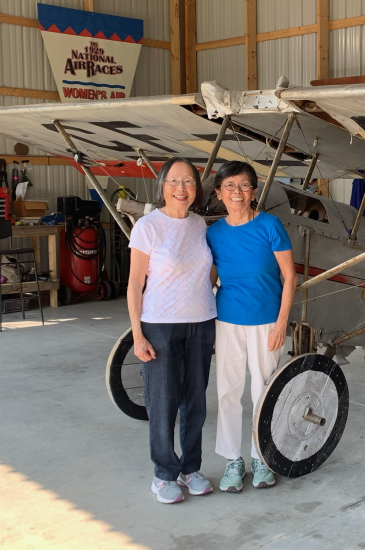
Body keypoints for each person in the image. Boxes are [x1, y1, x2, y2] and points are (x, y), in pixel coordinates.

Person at [127, 157, 217, 504]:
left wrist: (201, 294)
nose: (182, 188)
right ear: (162, 186)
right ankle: (164, 473)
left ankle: (189, 468)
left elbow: (208, 270)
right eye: (174, 182)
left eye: (189, 182)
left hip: (201, 322)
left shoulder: (200, 225)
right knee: (163, 402)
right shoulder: (147, 227)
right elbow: (135, 284)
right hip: (160, 325)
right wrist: (137, 334)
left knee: (195, 401)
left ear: (197, 188)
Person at [206, 161, 296, 492]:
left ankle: (262, 457)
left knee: (263, 390)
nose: (237, 192)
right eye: (229, 186)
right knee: (228, 390)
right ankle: (233, 459)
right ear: (218, 193)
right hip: (227, 320)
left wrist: (282, 322)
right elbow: (210, 279)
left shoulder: (270, 226)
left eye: (244, 186)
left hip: (267, 320)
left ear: (253, 191)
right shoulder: (213, 233)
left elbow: (290, 276)